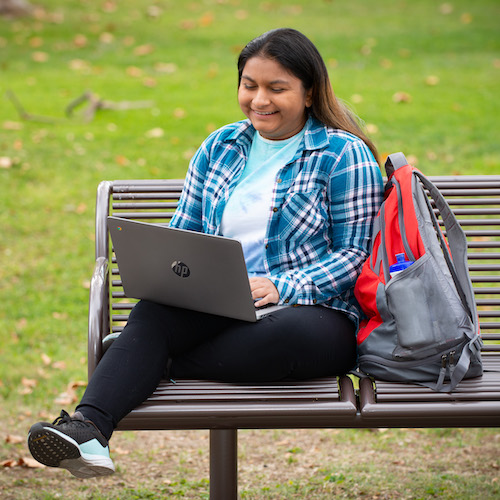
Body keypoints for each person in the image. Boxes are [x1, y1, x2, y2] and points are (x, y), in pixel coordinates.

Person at [27, 28, 383, 478]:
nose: (259, 100)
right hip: (225, 303)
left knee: (285, 335)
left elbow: (356, 253)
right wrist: (173, 272)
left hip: (314, 312)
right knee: (155, 311)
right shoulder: (221, 146)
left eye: (277, 88)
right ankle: (90, 430)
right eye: (249, 85)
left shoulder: (341, 153)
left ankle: (148, 357)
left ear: (309, 92)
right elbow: (186, 234)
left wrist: (281, 285)